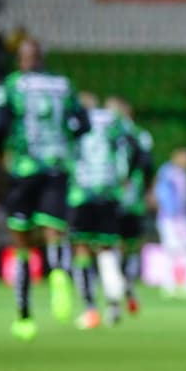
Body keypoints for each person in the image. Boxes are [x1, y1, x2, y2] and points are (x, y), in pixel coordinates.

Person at [0, 39, 90, 340]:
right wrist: (65, 141)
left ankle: (24, 317)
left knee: (21, 243)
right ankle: (59, 273)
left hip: (24, 166)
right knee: (54, 231)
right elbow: (83, 124)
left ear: (21, 60)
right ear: (42, 59)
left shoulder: (11, 85)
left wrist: (1, 153)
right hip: (56, 165)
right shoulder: (63, 85)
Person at [67, 94, 132, 329]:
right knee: (107, 248)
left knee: (82, 248)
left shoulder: (73, 120)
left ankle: (90, 309)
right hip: (108, 190)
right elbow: (128, 149)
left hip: (82, 192)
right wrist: (122, 180)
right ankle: (114, 304)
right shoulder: (113, 121)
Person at [107, 97, 154, 315]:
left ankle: (120, 294)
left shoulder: (133, 136)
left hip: (123, 199)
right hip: (121, 199)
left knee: (121, 246)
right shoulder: (138, 136)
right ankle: (122, 293)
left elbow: (147, 165)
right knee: (121, 247)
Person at [154, 148, 186, 298]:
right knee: (171, 251)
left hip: (182, 217)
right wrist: (171, 213)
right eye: (185, 157)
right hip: (170, 218)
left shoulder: (183, 174)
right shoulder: (167, 172)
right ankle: (169, 286)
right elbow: (162, 193)